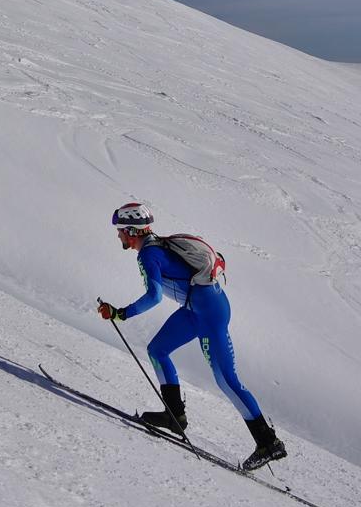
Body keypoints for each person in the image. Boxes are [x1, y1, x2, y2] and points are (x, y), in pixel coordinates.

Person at [97, 201, 287, 471]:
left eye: (120, 230)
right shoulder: (155, 246)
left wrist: (121, 313)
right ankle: (175, 416)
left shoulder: (148, 255)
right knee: (158, 350)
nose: (118, 235)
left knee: (226, 380)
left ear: (131, 231)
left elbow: (154, 296)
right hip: (195, 308)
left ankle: (269, 443)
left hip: (209, 314)